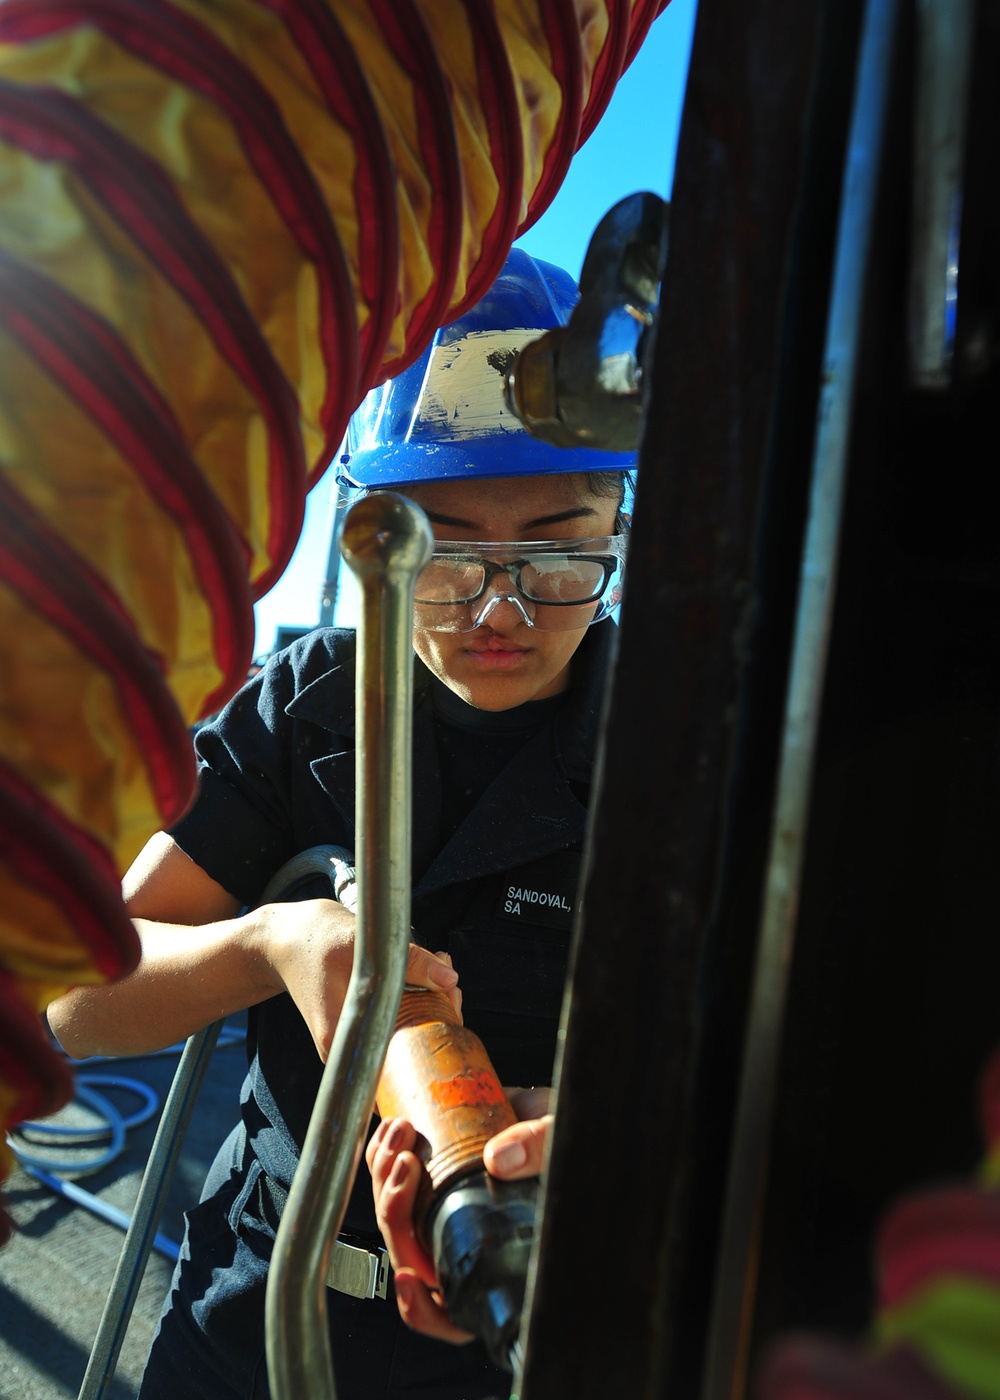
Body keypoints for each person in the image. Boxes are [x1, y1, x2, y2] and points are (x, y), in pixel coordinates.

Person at [47, 248, 635, 1399]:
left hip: (526, 1341)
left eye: (561, 551)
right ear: (372, 537)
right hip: (252, 1308)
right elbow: (73, 995)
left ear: (622, 515)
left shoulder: (680, 751)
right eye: (447, 553)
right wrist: (276, 942)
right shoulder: (309, 707)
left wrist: (628, 1130)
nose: (501, 612)